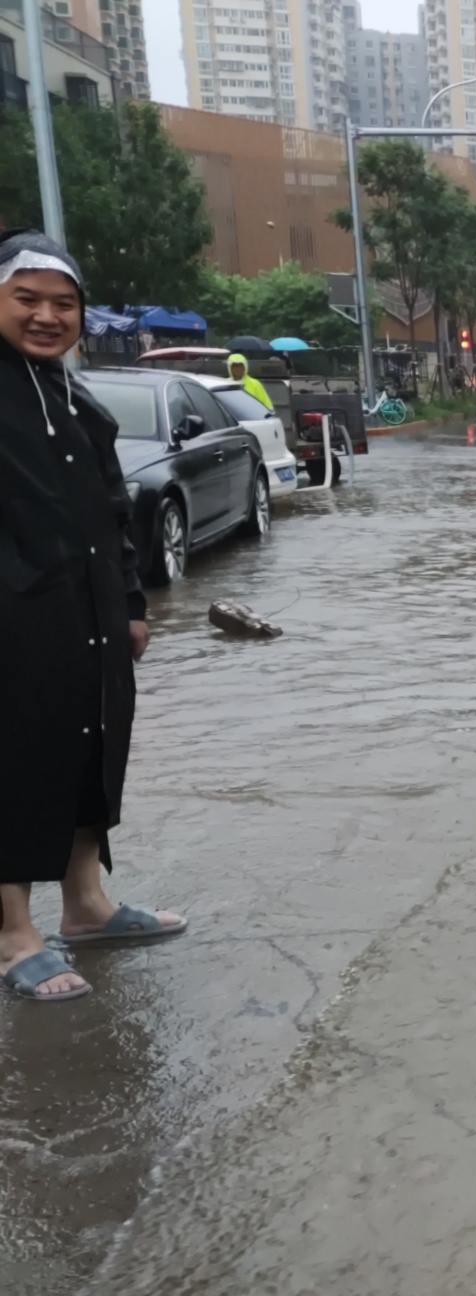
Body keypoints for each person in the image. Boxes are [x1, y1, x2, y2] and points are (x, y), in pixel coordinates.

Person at [0, 229, 185, 1002]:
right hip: (16, 618)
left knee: (92, 750)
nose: (47, 316)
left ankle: (86, 904)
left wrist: (133, 605)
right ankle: (14, 933)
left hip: (95, 616)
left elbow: (113, 510)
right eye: (27, 299)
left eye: (63, 304)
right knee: (15, 763)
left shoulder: (75, 395)